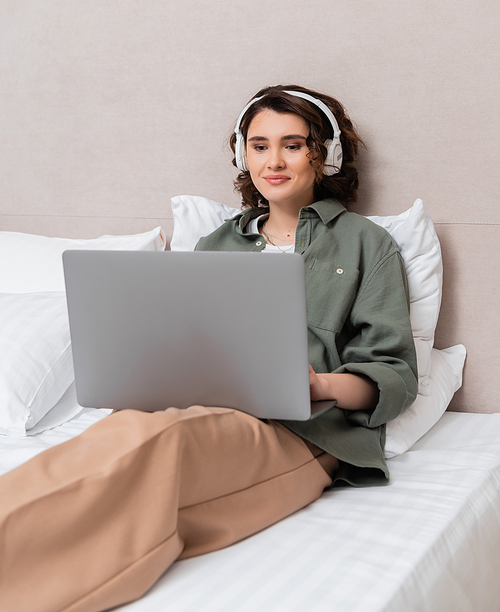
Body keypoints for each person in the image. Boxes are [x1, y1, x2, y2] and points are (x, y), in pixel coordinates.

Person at [0, 85, 418, 612]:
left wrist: (318, 385)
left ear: (325, 154)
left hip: (302, 429)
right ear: (241, 154)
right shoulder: (216, 244)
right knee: (122, 437)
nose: (274, 161)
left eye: (293, 144)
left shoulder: (365, 242)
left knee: (160, 446)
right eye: (259, 145)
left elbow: (394, 372)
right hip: (194, 409)